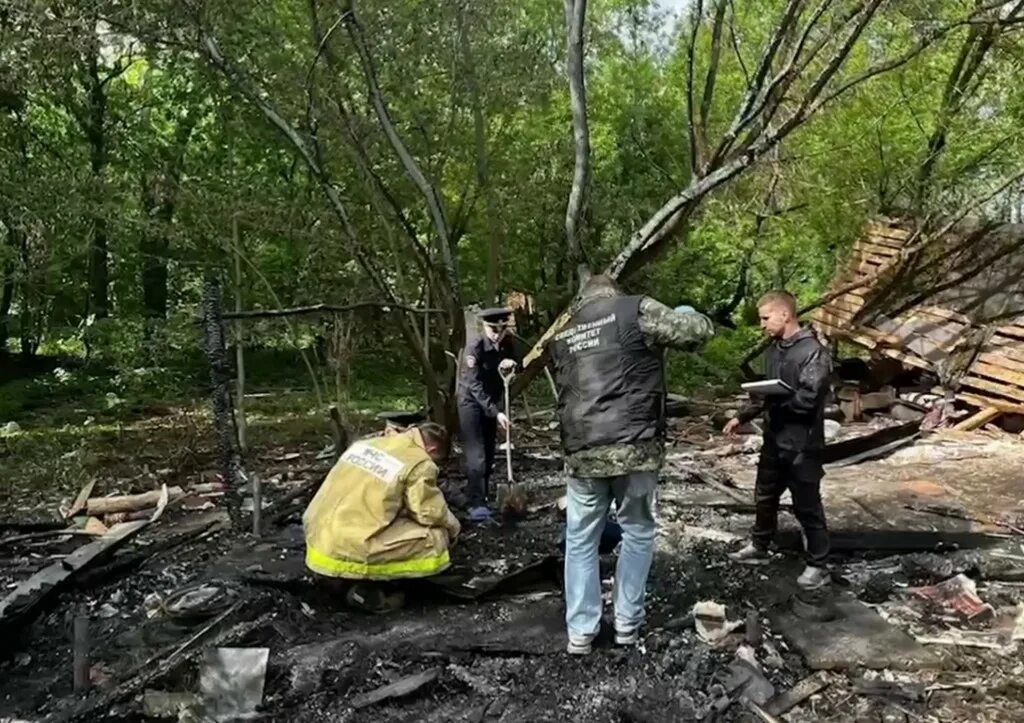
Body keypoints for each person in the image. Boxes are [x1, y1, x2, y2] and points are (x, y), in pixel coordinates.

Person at [548, 274, 715, 654]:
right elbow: (694, 333)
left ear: (582, 300)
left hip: (583, 451)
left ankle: (580, 633)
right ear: (614, 293)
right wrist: (688, 313)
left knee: (580, 541)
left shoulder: (564, 332)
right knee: (637, 532)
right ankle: (626, 625)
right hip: (635, 447)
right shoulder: (633, 310)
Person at [723, 290, 832, 591]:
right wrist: (742, 416)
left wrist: (777, 404)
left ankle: (818, 564)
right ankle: (759, 546)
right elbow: (762, 394)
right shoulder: (774, 351)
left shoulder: (813, 351)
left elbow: (810, 398)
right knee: (765, 495)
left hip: (802, 443)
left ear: (785, 314)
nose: (762, 325)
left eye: (765, 318)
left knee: (807, 504)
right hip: (774, 438)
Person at [303, 422, 461, 611]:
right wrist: (453, 525)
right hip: (349, 544)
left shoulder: (366, 444)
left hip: (318, 536)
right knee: (436, 537)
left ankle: (334, 578)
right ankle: (373, 591)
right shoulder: (419, 462)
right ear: (432, 449)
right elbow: (428, 513)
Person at [457, 307, 520, 523]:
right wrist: (496, 412)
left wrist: (512, 364)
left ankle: (483, 496)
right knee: (477, 455)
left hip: (491, 402)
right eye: (493, 329)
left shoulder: (507, 343)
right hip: (471, 403)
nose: (497, 334)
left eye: (501, 330)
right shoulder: (474, 348)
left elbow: (514, 363)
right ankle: (475, 503)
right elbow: (473, 385)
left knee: (490, 452)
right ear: (485, 327)